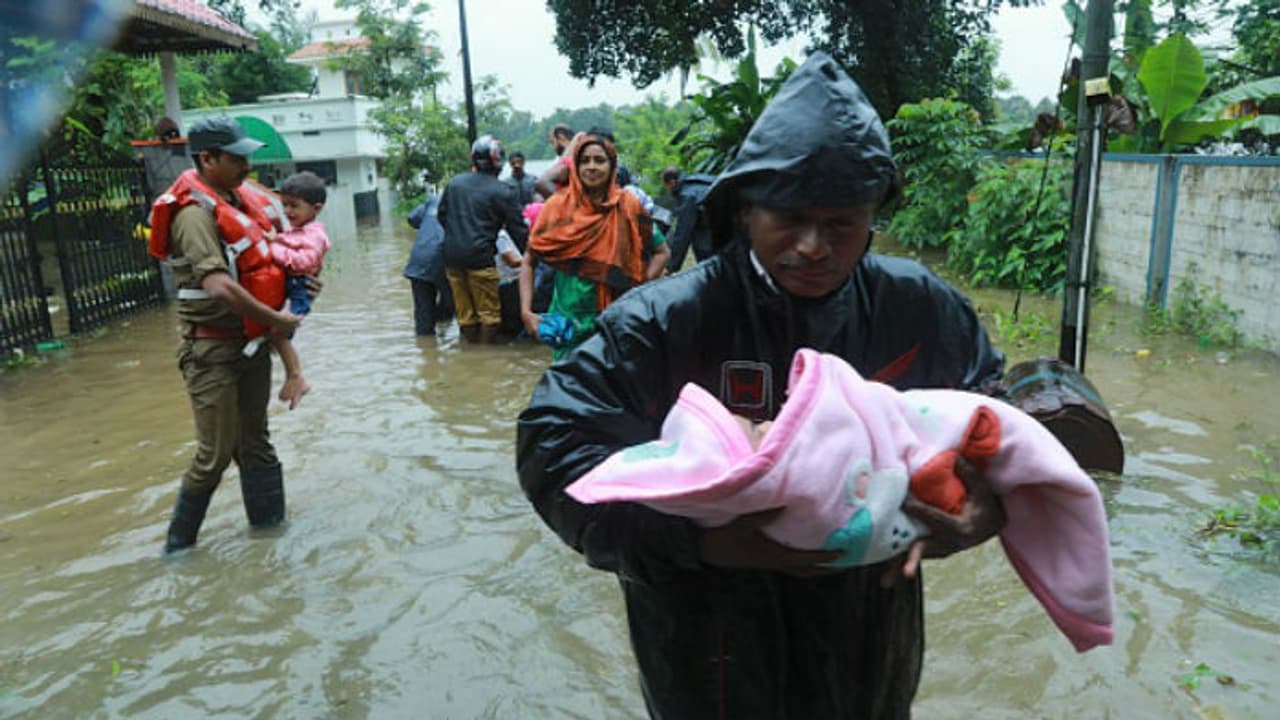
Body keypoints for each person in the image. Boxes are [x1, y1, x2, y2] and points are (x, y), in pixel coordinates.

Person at [516, 53, 1008, 719]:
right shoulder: (663, 318)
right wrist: (703, 542)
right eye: (789, 217)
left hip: (868, 615)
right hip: (703, 625)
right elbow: (552, 443)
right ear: (746, 209)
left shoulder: (916, 307)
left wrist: (982, 510)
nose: (813, 246)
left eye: (840, 223)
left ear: (873, 216)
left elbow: (1007, 412)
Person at [147, 117, 303, 553]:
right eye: (235, 158)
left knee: (256, 444)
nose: (246, 166)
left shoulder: (237, 200)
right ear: (207, 158)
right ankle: (178, 552)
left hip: (250, 345)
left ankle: (270, 540)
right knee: (213, 455)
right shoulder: (193, 214)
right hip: (211, 349)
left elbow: (265, 262)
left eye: (246, 157)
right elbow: (217, 285)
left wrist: (297, 287)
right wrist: (276, 322)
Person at [517, 132, 669, 360]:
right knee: (568, 387)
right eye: (584, 160)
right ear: (575, 167)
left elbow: (662, 252)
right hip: (568, 321)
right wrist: (526, 312)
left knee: (615, 387)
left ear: (612, 166)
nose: (591, 167)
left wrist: (640, 289)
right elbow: (528, 262)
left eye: (599, 160)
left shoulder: (628, 207)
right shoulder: (556, 208)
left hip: (617, 317)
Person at [437, 135, 528, 343]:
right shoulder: (503, 191)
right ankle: (484, 355)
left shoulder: (454, 184)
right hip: (480, 259)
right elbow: (519, 231)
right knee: (490, 316)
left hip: (452, 259)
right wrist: (532, 258)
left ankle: (469, 353)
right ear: (498, 161)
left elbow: (443, 216)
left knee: (465, 315)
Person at [268, 170, 331, 409]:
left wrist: (273, 248)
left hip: (299, 289)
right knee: (277, 334)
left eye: (294, 206)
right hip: (295, 288)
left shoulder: (314, 235)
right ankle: (294, 377)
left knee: (279, 331)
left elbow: (303, 262)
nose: (287, 212)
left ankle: (296, 377)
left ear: (316, 209)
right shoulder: (299, 230)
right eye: (285, 205)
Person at [404, 194, 455, 337]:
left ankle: (427, 350)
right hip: (446, 259)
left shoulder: (434, 200)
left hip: (419, 260)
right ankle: (443, 331)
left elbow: (412, 218)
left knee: (423, 314)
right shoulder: (464, 201)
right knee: (455, 305)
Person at [661, 167, 716, 273]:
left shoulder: (687, 196)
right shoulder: (698, 183)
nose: (667, 190)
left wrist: (672, 267)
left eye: (666, 186)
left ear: (672, 183)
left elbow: (683, 233)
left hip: (712, 239)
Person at [533, 123, 575, 198]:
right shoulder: (558, 160)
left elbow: (541, 182)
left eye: (553, 142)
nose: (553, 147)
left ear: (561, 138)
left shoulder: (568, 160)